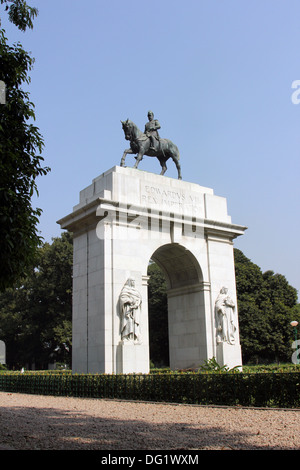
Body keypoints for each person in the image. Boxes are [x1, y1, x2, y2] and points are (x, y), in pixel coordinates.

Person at [119, 278, 142, 342]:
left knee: (135, 323)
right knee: (128, 322)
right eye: (132, 281)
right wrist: (130, 300)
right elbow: (122, 298)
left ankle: (135, 336)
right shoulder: (125, 289)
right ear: (129, 282)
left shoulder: (136, 290)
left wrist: (137, 303)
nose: (133, 282)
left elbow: (140, 298)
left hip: (136, 309)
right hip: (128, 309)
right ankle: (126, 336)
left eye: (134, 281)